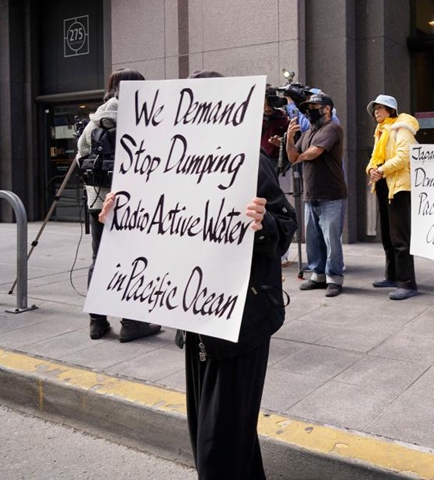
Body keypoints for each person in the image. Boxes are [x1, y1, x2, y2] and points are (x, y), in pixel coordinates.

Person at [100, 69, 297, 479]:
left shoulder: (251, 163)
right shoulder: (165, 165)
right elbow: (156, 230)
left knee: (217, 445)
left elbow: (285, 225)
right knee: (219, 435)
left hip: (244, 321)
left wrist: (265, 224)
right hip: (197, 322)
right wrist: (115, 220)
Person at [76, 68, 162, 342]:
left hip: (98, 202)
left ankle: (97, 322)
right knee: (133, 260)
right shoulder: (138, 116)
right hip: (131, 204)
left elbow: (81, 160)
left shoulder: (95, 121)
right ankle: (132, 322)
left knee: (99, 260)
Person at [286, 93, 347, 297]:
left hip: (331, 194)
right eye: (308, 106)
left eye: (314, 106)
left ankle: (334, 278)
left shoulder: (332, 128)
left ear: (327, 109)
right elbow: (293, 155)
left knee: (331, 239)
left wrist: (298, 157)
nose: (309, 110)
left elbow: (314, 152)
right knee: (313, 238)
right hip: (311, 194)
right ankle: (318, 275)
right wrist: (288, 138)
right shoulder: (310, 131)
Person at [365, 94, 419, 300]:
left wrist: (381, 170)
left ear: (391, 110)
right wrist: (371, 169)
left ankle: (407, 283)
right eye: (375, 109)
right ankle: (393, 276)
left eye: (380, 108)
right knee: (387, 235)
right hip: (383, 185)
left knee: (400, 237)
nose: (376, 112)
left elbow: (404, 157)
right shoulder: (380, 130)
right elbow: (373, 158)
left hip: (399, 187)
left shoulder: (401, 128)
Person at [260, 85, 289, 169]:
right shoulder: (253, 117)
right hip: (258, 159)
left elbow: (294, 143)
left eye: (269, 105)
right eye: (263, 105)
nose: (267, 109)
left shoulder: (284, 117)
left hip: (276, 162)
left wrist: (281, 143)